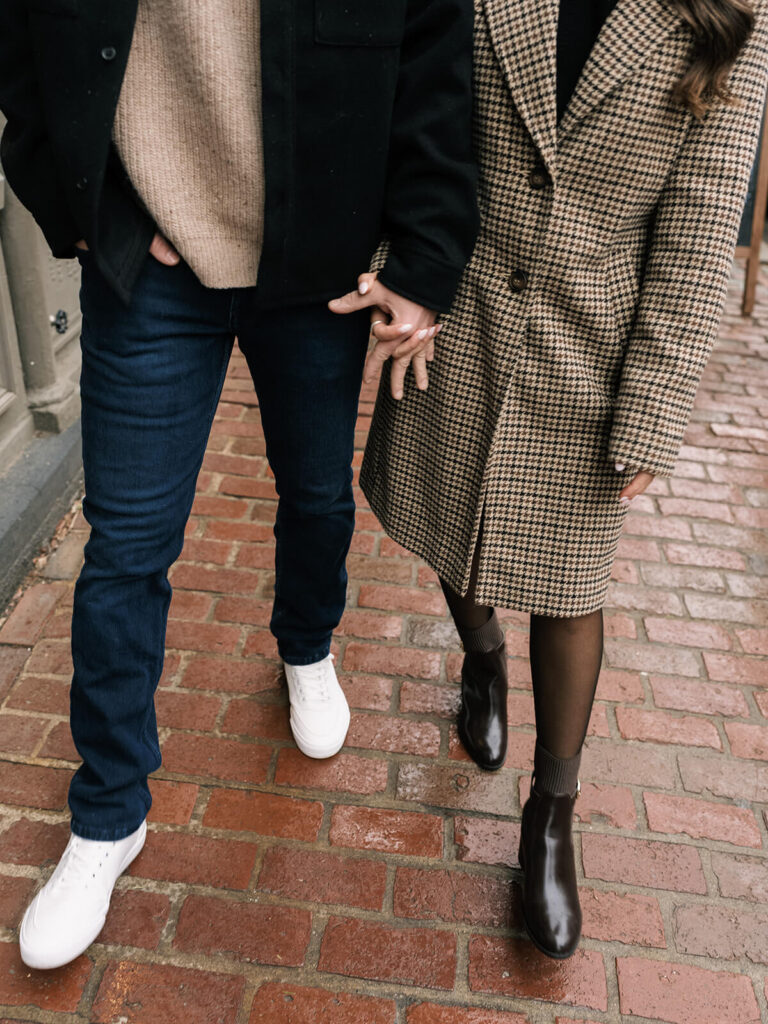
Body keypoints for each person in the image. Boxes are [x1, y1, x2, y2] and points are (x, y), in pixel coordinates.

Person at [0, 0, 478, 969]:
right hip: (150, 264)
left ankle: (306, 644)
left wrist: (425, 260)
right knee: (125, 544)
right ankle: (107, 813)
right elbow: (23, 38)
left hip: (317, 262)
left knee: (313, 495)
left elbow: (435, 61)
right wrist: (83, 210)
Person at [331, 0, 768, 960]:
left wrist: (652, 402)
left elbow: (697, 235)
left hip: (592, 344)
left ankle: (552, 813)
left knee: (570, 587)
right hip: (462, 302)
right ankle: (482, 656)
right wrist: (404, 268)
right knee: (453, 527)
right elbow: (421, 111)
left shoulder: (732, 14)